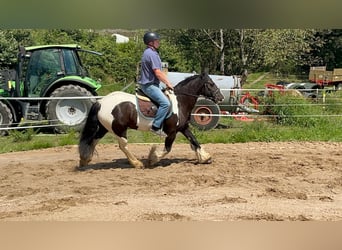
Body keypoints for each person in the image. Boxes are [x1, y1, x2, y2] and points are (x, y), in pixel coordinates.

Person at [138, 31, 174, 137]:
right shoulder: (151, 54)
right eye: (156, 40)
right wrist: (168, 83)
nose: (158, 42)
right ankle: (156, 127)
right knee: (165, 103)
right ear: (151, 42)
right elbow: (158, 72)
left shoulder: (150, 52)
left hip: (153, 84)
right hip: (149, 85)